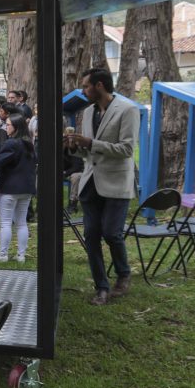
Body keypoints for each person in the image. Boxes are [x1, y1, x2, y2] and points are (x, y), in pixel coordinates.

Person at [66, 68, 139, 306]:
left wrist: (91, 143)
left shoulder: (127, 110)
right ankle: (102, 288)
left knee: (111, 233)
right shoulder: (87, 112)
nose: (83, 90)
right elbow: (89, 153)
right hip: (90, 182)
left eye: (86, 86)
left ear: (99, 86)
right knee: (91, 235)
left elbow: (127, 150)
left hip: (117, 182)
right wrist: (74, 146)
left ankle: (123, 273)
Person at [0, 113, 37, 263]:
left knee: (6, 223)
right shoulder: (29, 144)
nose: (5, 127)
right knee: (21, 222)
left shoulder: (12, 143)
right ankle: (21, 255)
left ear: (16, 127)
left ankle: (2, 254)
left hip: (10, 188)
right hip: (26, 188)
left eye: (8, 125)